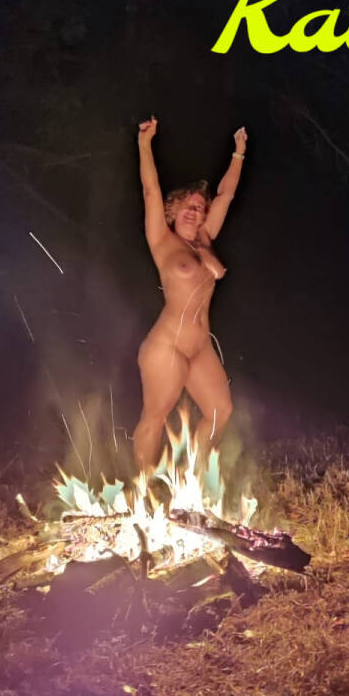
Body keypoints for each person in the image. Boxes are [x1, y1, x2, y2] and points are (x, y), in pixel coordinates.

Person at [131, 116, 247, 476]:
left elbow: (226, 195)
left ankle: (189, 480)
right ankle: (143, 488)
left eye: (200, 207)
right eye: (189, 205)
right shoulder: (162, 241)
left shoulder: (206, 238)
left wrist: (239, 153)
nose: (196, 211)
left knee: (220, 411)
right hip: (167, 345)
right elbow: (151, 191)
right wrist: (145, 144)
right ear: (173, 210)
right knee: (154, 417)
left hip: (200, 347)